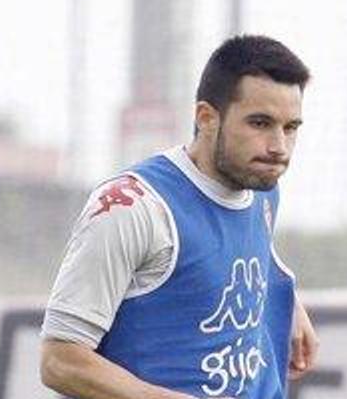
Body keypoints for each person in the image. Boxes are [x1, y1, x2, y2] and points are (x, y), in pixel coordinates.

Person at [39, 34, 319, 399]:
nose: (278, 147)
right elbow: (60, 361)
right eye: (260, 123)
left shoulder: (261, 190)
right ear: (206, 118)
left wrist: (284, 302)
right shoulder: (133, 207)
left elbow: (231, 257)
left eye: (290, 128)